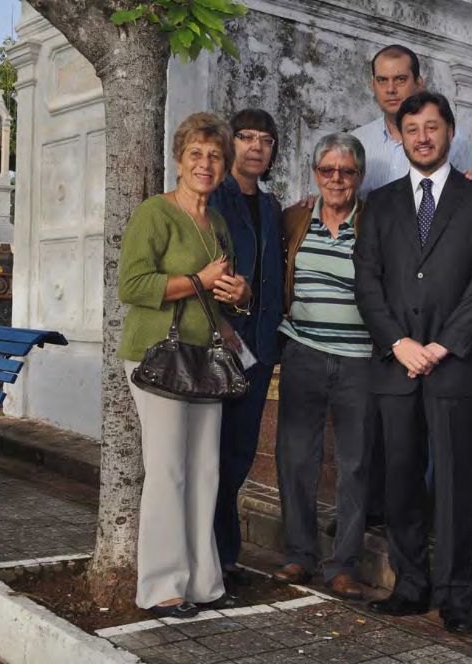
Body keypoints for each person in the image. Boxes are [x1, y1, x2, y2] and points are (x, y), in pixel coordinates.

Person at [353, 92, 472, 634]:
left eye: (433, 127)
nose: (423, 136)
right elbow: (367, 280)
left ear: (449, 131)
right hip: (396, 366)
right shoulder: (382, 203)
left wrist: (441, 345)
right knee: (399, 483)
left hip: (457, 367)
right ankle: (411, 587)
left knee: (453, 487)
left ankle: (456, 599)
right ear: (400, 135)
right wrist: (398, 342)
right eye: (412, 128)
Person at [118, 112, 251, 619]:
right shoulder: (156, 212)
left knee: (205, 472)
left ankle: (203, 580)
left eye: (215, 155)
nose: (206, 163)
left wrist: (238, 293)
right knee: (169, 471)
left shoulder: (215, 222)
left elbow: (222, 290)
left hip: (207, 358)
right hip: (158, 356)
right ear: (179, 159)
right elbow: (132, 287)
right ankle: (161, 587)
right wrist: (197, 278)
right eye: (196, 153)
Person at [273, 133, 372, 601]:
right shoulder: (294, 218)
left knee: (355, 465)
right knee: (296, 458)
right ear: (315, 174)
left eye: (347, 170)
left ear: (359, 177)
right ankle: (299, 554)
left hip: (361, 361)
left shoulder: (375, 223)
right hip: (303, 354)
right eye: (328, 170)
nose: (337, 178)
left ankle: (343, 565)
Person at [208, 109, 284, 588]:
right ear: (231, 143)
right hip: (219, 344)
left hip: (259, 349)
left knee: (239, 453)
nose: (256, 146)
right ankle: (213, 550)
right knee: (210, 452)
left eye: (265, 139)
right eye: (246, 137)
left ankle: (224, 547)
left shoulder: (274, 207)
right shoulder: (215, 198)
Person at [351, 44, 472, 196]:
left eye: (400, 79)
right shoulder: (357, 142)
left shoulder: (454, 140)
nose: (390, 89)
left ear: (419, 83)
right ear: (373, 85)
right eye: (382, 80)